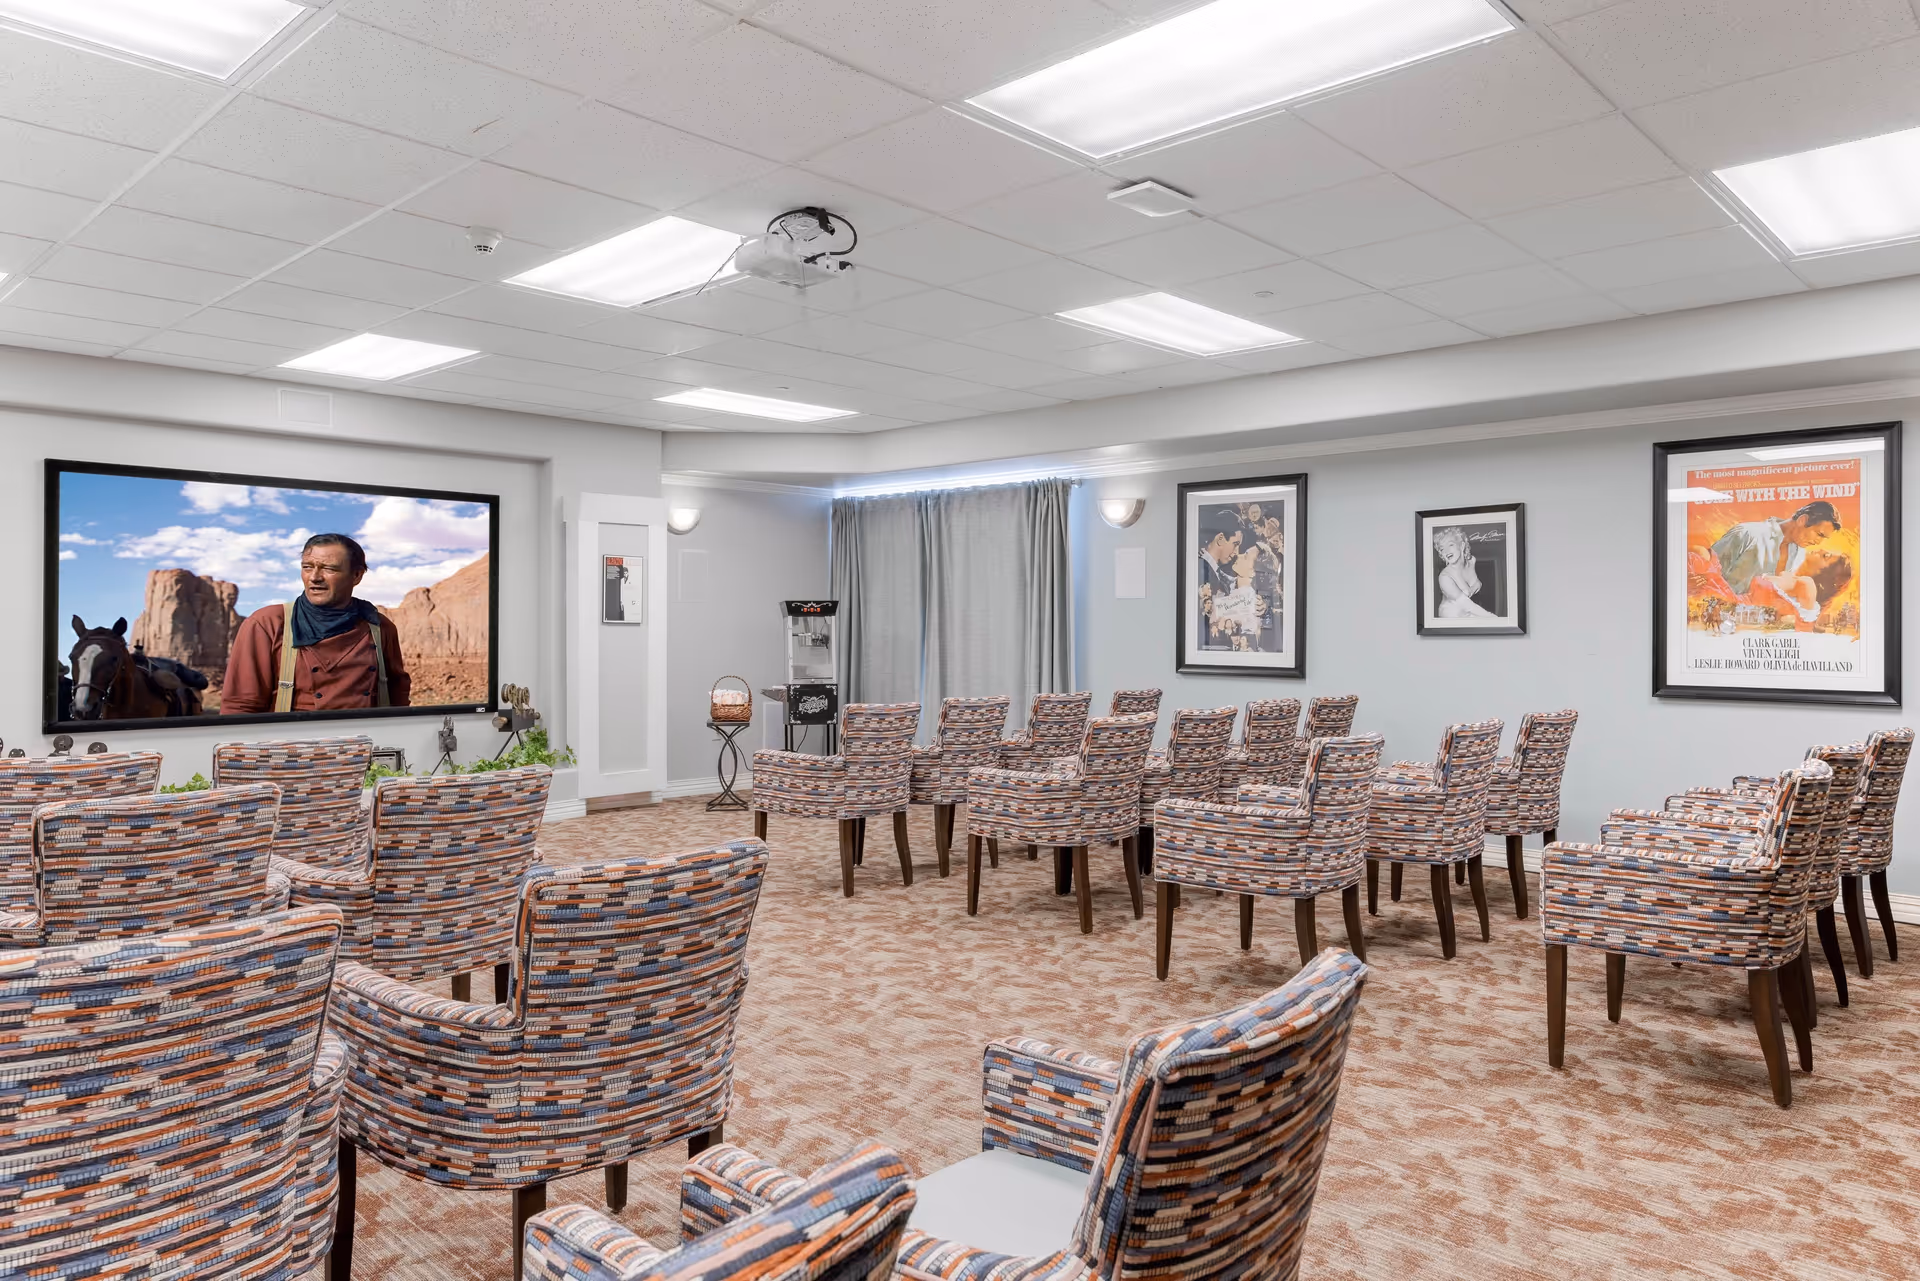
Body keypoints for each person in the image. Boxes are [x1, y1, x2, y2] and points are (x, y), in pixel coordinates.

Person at [221, 533, 412, 714]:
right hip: (291, 745)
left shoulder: (379, 627)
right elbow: (239, 706)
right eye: (307, 567)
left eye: (329, 569)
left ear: (357, 576)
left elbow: (398, 698)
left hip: (364, 743)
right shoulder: (267, 623)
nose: (314, 577)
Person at [1708, 500, 1841, 595]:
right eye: (1819, 534)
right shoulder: (1747, 534)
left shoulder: (1799, 553)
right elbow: (1704, 572)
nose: (1819, 542)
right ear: (1803, 520)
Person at [1433, 526, 1494, 619]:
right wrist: (1493, 617)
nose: (1446, 551)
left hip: (1469, 613)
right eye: (1442, 549)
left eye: (1450, 545)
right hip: (1451, 617)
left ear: (1462, 545)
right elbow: (1467, 605)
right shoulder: (1444, 577)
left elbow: (1477, 584)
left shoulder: (1472, 561)